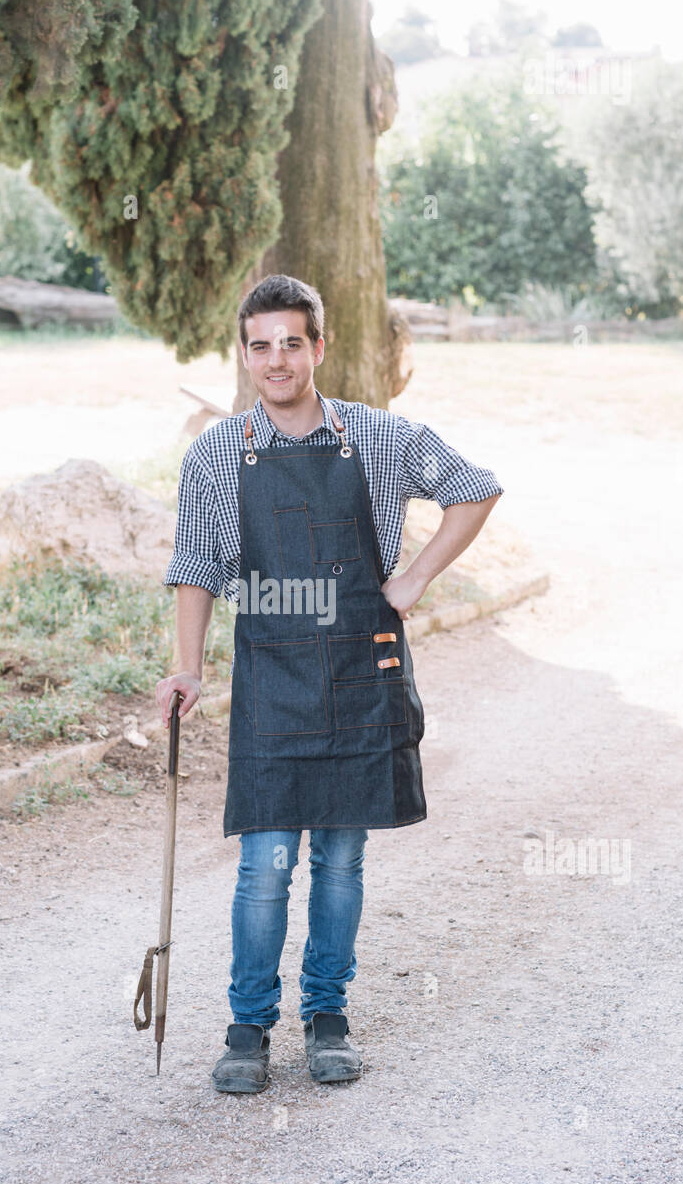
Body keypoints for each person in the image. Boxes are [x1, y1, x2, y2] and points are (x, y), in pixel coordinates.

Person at [156, 273, 502, 1093]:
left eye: (292, 342)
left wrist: (414, 579)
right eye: (260, 346)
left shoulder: (380, 439)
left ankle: (327, 1015)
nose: (276, 360)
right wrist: (188, 665)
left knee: (341, 866)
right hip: (272, 676)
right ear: (243, 355)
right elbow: (197, 567)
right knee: (266, 865)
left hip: (359, 672)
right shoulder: (215, 452)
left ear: (320, 346)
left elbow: (475, 487)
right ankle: (247, 1026)